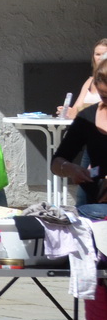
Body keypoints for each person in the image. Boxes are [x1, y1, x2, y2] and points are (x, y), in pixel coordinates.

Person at [54, 59, 107, 205]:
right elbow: (58, 161)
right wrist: (71, 169)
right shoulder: (87, 117)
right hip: (97, 204)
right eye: (104, 96)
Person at [63, 38, 107, 119]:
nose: (100, 58)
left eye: (104, 54)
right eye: (97, 54)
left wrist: (79, 111)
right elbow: (75, 109)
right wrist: (68, 111)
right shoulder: (90, 81)